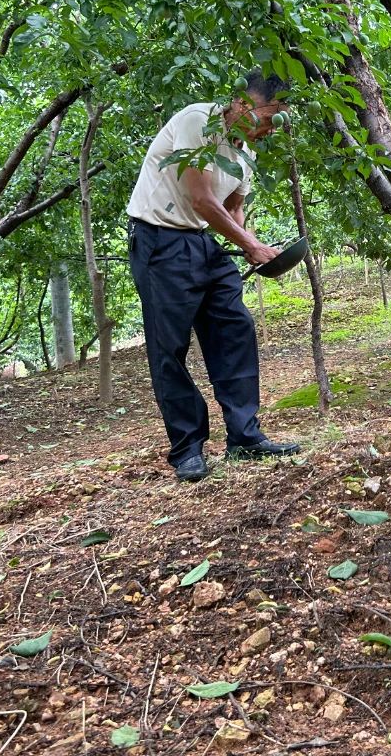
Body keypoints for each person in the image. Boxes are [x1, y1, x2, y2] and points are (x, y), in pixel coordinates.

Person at [127, 71, 301, 482]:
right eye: (269, 118)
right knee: (169, 347)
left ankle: (245, 436)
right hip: (159, 240)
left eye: (278, 122)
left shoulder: (245, 155)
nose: (270, 130)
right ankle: (187, 449)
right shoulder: (199, 121)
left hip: (201, 241)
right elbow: (202, 199)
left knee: (235, 328)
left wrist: (255, 246)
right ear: (243, 104)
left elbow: (232, 208)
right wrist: (250, 245)